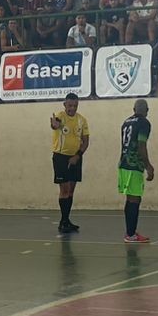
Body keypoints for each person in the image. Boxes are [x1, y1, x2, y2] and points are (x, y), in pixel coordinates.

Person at [50, 93, 89, 235]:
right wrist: (54, 125)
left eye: (75, 105)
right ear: (64, 105)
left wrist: (78, 155)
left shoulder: (82, 120)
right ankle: (63, 221)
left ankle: (66, 220)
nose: (72, 108)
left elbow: (86, 141)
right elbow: (55, 124)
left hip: (75, 159)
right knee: (64, 190)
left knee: (71, 191)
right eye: (70, 105)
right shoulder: (61, 116)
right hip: (61, 158)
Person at [117, 98, 155, 244]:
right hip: (134, 165)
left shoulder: (126, 122)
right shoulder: (144, 123)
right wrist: (148, 166)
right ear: (147, 111)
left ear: (134, 110)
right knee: (135, 198)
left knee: (131, 198)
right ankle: (130, 234)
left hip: (123, 163)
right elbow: (141, 145)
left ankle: (130, 231)